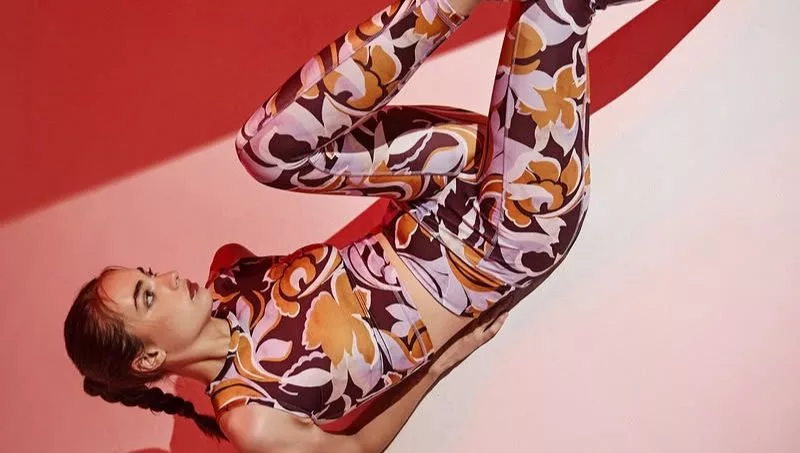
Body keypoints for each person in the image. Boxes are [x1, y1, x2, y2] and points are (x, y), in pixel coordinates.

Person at [64, 0, 641, 451]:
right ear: (148, 360)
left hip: (443, 177)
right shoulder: (253, 419)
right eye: (147, 295)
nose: (167, 278)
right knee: (554, 5)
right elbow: (357, 449)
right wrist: (440, 362)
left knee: (264, 150)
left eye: (147, 274)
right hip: (507, 237)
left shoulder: (231, 277)